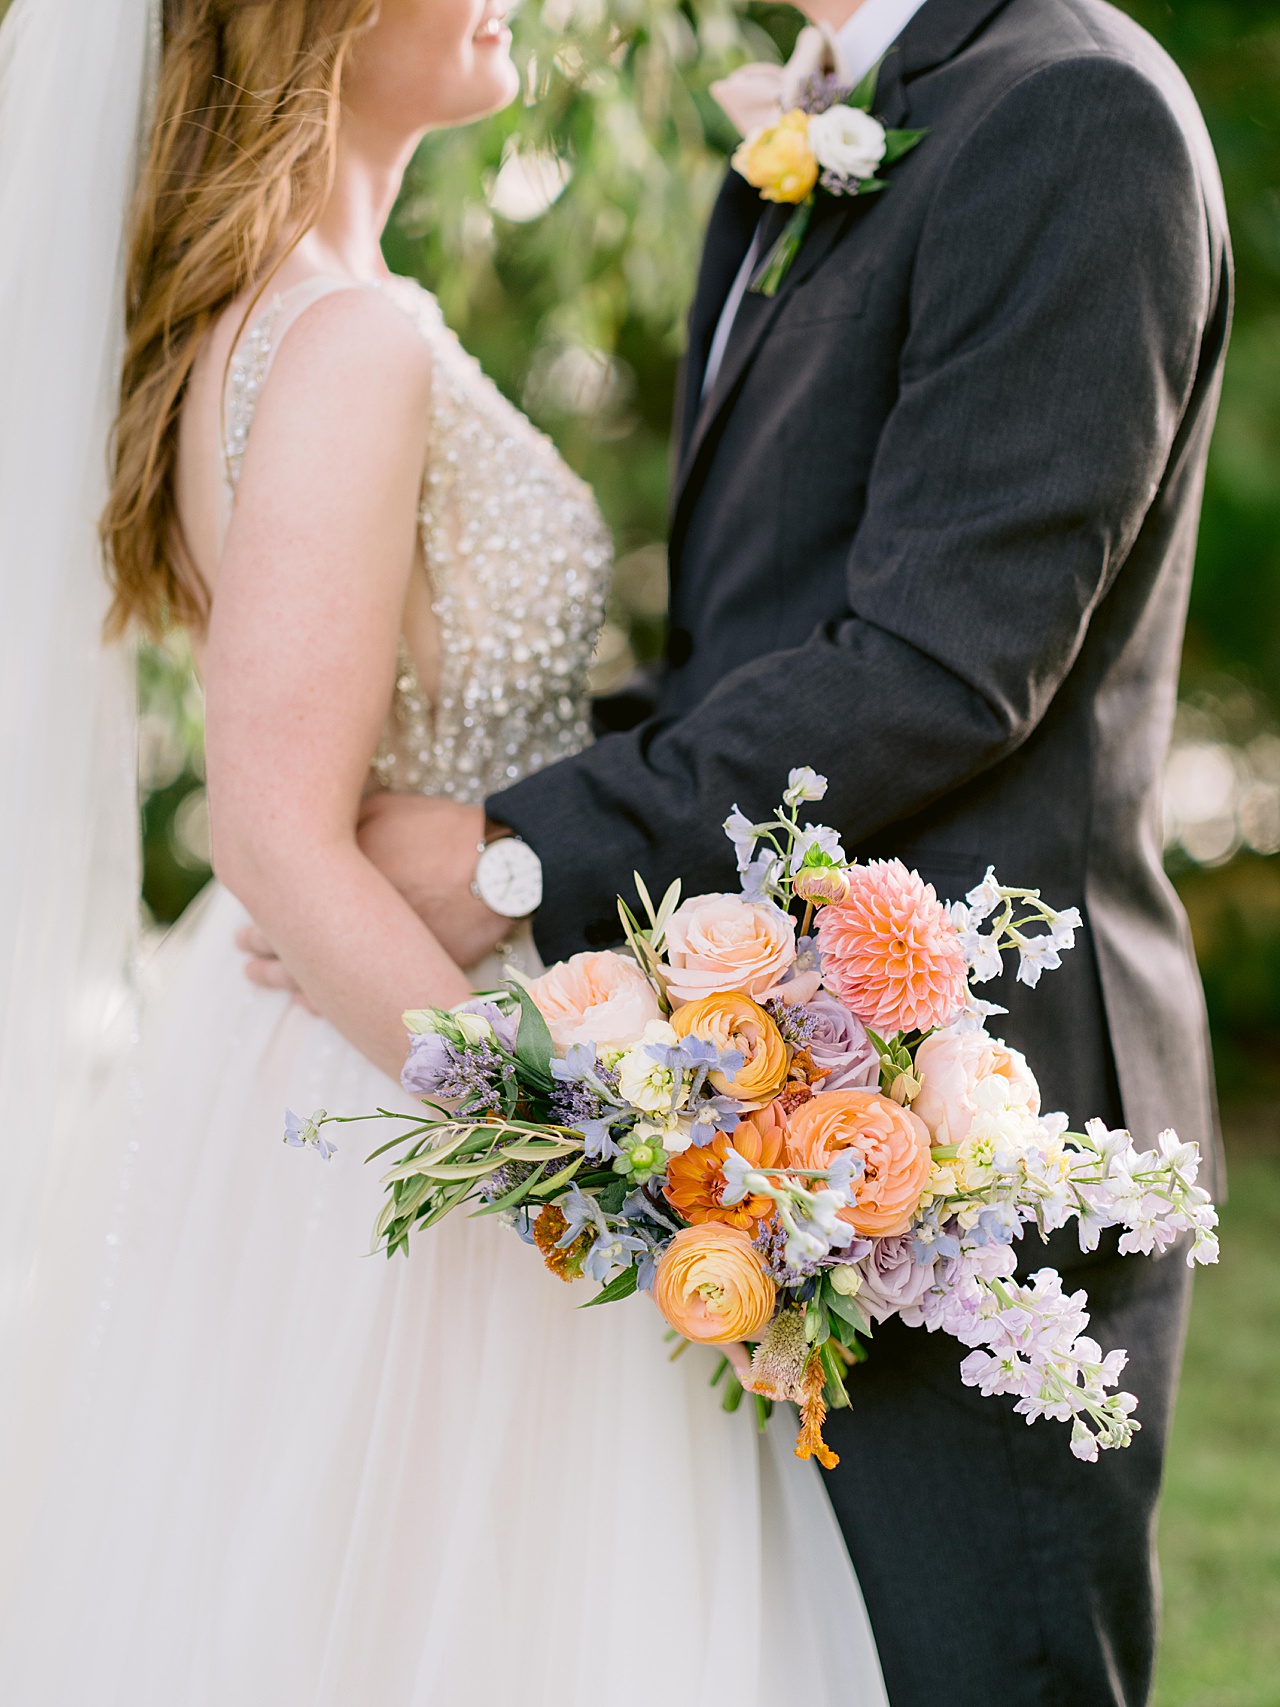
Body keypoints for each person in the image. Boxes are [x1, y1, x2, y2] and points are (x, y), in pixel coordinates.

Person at [335, 0, 1233, 1701]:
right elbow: (746, 653)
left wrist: (515, 854)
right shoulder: (816, 137)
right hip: (758, 1111)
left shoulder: (1074, 113)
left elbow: (943, 664)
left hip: (984, 1112)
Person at [0, 2, 888, 1703]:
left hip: (334, 1058)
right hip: (417, 1086)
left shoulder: (278, 325)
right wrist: (577, 1161)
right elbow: (277, 826)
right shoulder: (348, 339)